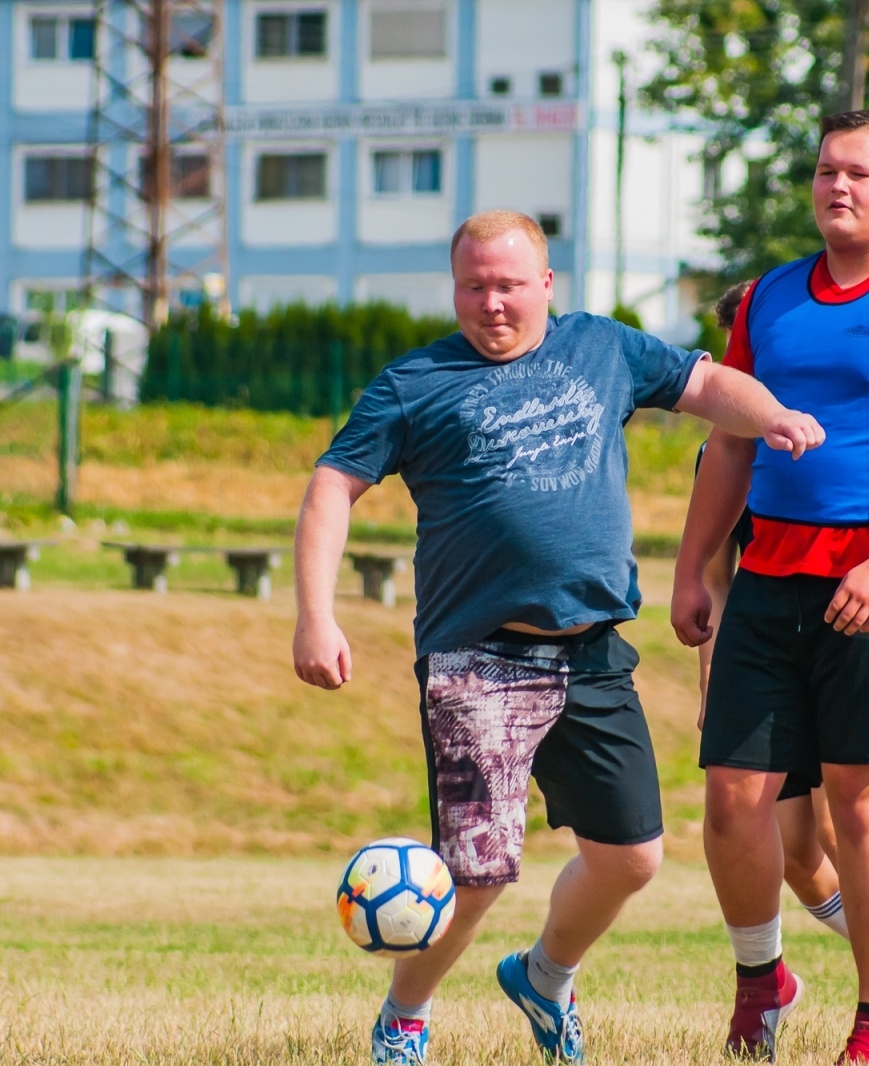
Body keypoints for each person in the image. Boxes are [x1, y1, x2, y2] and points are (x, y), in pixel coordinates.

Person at [293, 210, 824, 1066]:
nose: (492, 304)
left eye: (509, 286)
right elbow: (330, 488)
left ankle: (543, 977)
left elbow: (704, 382)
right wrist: (317, 615)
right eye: (474, 287)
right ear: (455, 287)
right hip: (479, 658)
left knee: (633, 858)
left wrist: (771, 415)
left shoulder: (602, 349)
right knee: (475, 871)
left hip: (595, 651)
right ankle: (405, 1020)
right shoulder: (414, 384)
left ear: (546, 284)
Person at [672, 110, 869, 1064]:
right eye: (823, 172)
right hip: (771, 578)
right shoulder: (765, 301)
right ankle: (760, 981)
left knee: (862, 806)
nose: (836, 187)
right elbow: (730, 443)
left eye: (857, 173)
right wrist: (694, 568)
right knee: (734, 800)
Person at [692, 283, 869, 1060]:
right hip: (765, 644)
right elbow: (719, 578)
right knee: (792, 853)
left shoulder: (825, 434)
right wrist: (713, 689)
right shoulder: (729, 453)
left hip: (841, 626)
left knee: (842, 826)